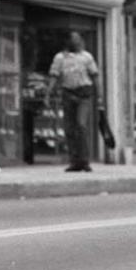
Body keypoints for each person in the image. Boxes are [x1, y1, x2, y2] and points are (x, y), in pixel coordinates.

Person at [47, 32, 99, 172]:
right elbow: (54, 75)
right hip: (68, 93)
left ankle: (85, 160)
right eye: (74, 40)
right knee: (69, 128)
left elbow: (95, 76)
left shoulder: (86, 57)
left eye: (79, 40)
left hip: (84, 94)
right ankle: (74, 161)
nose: (77, 42)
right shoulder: (60, 58)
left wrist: (99, 96)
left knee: (81, 125)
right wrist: (48, 93)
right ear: (68, 42)